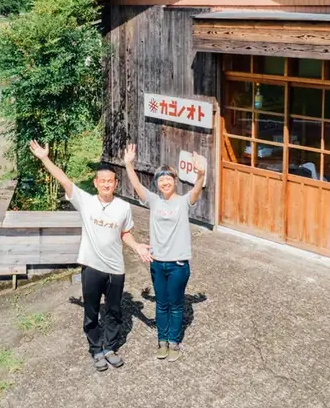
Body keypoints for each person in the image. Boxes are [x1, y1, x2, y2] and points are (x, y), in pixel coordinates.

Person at [29, 139, 152, 372]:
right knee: (91, 311)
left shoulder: (123, 207)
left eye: (110, 181)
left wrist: (137, 247)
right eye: (102, 181)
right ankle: (96, 349)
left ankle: (110, 348)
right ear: (95, 183)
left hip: (116, 268)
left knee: (115, 311)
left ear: (115, 184)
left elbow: (125, 233)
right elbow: (63, 179)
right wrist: (45, 158)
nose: (106, 184)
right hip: (92, 267)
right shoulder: (86, 202)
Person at [122, 143, 205, 362]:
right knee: (161, 303)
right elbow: (136, 184)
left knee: (176, 304)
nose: (165, 182)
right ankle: (162, 340)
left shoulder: (184, 202)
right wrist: (128, 164)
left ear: (175, 182)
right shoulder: (153, 200)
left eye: (169, 178)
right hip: (157, 262)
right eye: (161, 179)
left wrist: (201, 174)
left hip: (178, 264)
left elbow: (197, 189)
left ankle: (174, 342)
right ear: (157, 184)